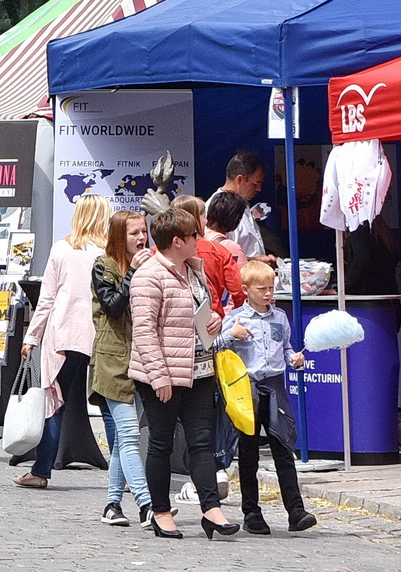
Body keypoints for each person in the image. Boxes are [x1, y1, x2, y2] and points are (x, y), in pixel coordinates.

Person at [129, 207, 238, 539]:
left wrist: (214, 324)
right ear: (177, 241)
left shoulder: (195, 270)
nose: (198, 240)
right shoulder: (149, 275)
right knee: (161, 443)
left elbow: (202, 313)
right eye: (193, 235)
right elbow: (144, 331)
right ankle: (160, 511)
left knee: (201, 441)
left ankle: (211, 509)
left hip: (200, 368)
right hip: (163, 374)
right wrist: (159, 376)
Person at [15, 195, 112, 489]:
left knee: (55, 402)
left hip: (65, 335)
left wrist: (32, 336)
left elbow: (46, 299)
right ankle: (128, 474)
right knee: (111, 406)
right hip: (101, 335)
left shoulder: (62, 248)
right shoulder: (109, 252)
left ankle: (42, 469)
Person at [215, 260, 316, 532]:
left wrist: (293, 358)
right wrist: (231, 335)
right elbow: (216, 348)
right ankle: (252, 513)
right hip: (246, 388)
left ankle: (295, 510)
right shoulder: (237, 318)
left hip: (274, 385)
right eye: (261, 289)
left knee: (283, 448)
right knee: (248, 454)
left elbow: (285, 347)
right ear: (246, 290)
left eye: (271, 288)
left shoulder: (280, 318)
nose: (268, 294)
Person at [89, 211, 152, 527]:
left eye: (143, 232)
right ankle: (147, 504)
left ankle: (112, 505)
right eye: (133, 234)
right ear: (118, 237)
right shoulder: (104, 266)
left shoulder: (148, 265)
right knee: (127, 434)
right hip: (112, 359)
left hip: (141, 359)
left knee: (126, 441)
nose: (141, 239)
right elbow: (113, 307)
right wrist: (133, 274)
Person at [209, 151, 272, 263]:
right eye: (255, 183)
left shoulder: (243, 203)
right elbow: (215, 255)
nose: (259, 189)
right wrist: (256, 261)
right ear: (239, 179)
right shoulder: (217, 207)